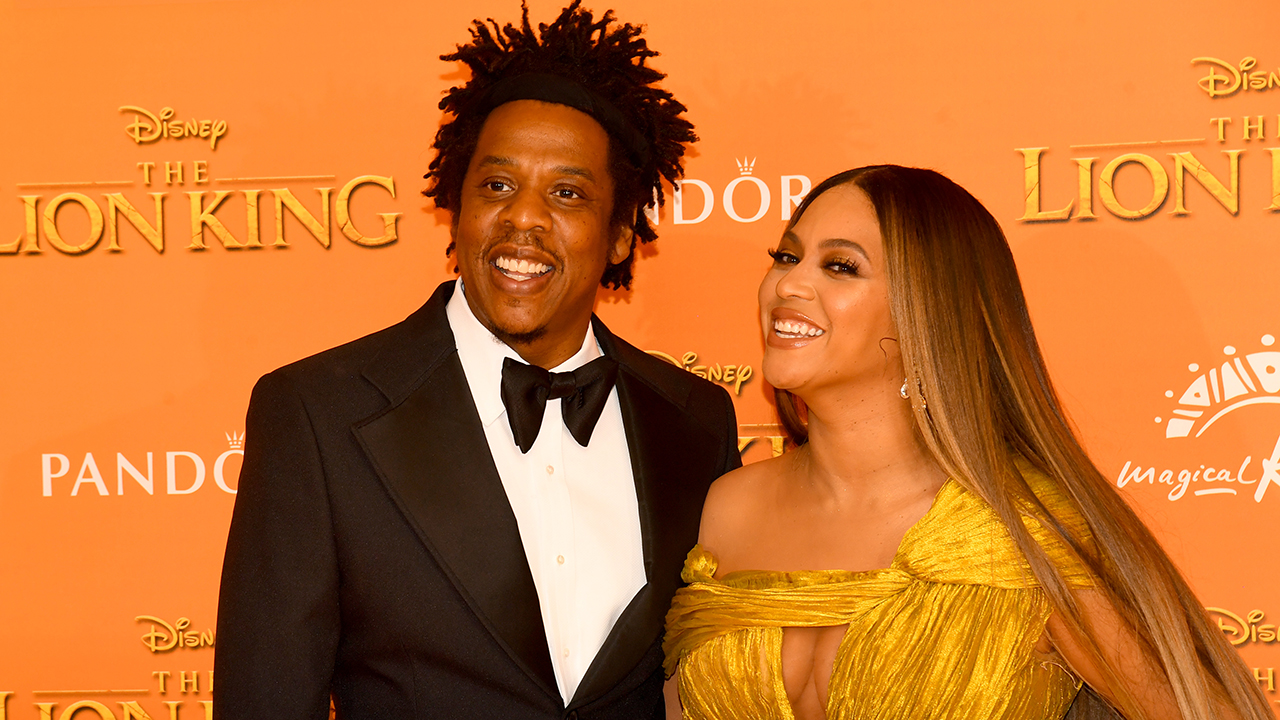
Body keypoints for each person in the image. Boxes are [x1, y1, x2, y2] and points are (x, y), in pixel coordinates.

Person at [214, 4, 740, 718]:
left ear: (620, 236)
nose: (524, 216)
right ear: (454, 208)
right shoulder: (318, 413)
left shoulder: (696, 420)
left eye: (567, 193)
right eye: (497, 185)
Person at [662, 166, 1271, 720]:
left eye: (841, 266)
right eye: (786, 257)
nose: (788, 285)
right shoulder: (727, 506)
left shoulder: (1020, 528)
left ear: (925, 309)